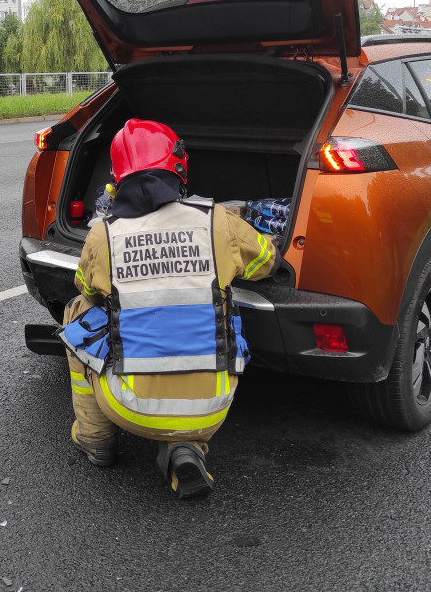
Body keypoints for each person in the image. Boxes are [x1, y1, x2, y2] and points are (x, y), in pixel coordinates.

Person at [60, 119, 281, 498]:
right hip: (213, 409)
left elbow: (86, 288)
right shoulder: (217, 221)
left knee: (77, 310)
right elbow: (267, 262)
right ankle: (186, 445)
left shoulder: (103, 233)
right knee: (220, 305)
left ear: (116, 179)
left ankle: (96, 438)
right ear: (178, 166)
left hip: (128, 408)